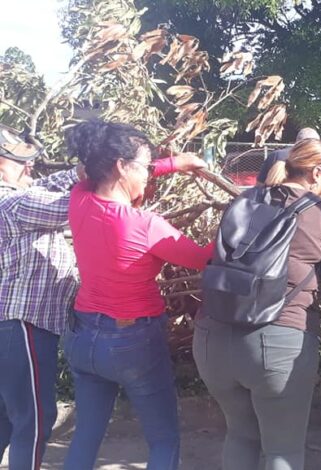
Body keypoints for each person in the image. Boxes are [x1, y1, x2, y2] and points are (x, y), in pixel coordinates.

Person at [194, 139, 321, 470]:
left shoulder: (242, 201)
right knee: (282, 450)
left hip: (212, 336)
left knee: (240, 435)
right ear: (316, 173)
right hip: (278, 341)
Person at [62, 119, 213, 470]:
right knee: (163, 440)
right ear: (120, 165)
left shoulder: (79, 199)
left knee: (86, 434)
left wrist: (175, 163)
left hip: (84, 337)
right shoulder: (146, 226)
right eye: (145, 167)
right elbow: (205, 258)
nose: (148, 175)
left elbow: (97, 175)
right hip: (132, 341)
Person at [0, 124, 85, 470]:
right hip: (24, 325)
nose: (28, 167)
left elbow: (42, 185)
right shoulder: (13, 202)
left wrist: (78, 172)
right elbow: (76, 206)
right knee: (34, 420)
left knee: (8, 418)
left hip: (11, 326)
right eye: (17, 161)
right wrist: (107, 177)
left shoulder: (17, 194)